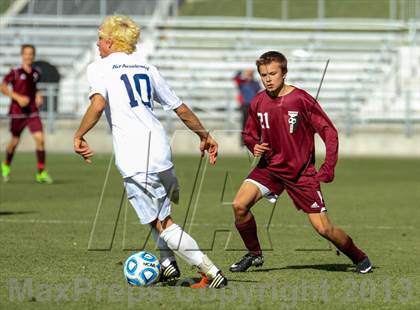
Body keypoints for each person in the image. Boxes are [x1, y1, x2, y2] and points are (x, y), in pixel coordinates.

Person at [73, 15, 227, 288]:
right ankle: (167, 264)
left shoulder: (99, 68)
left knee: (163, 222)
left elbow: (97, 105)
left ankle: (211, 272)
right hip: (159, 150)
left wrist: (79, 134)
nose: (97, 43)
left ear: (110, 41)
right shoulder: (147, 67)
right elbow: (179, 108)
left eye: (99, 38)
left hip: (134, 156)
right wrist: (204, 136)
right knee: (152, 213)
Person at [229, 51, 372, 274]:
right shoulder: (258, 101)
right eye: (264, 74)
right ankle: (254, 254)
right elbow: (249, 134)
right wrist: (253, 145)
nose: (268, 78)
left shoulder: (301, 99)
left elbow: (329, 132)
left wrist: (328, 166)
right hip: (269, 168)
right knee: (239, 205)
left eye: (273, 73)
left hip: (300, 173)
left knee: (323, 228)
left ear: (284, 73)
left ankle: (359, 257)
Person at [0, 44, 53, 183]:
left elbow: (34, 89)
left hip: (32, 112)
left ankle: (41, 172)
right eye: (26, 53)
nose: (28, 56)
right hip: (18, 113)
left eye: (31, 54)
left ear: (33, 56)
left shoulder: (36, 72)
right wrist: (17, 97)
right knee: (14, 142)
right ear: (22, 55)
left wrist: (38, 95)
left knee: (40, 140)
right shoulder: (15, 72)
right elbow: (3, 87)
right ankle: (6, 164)